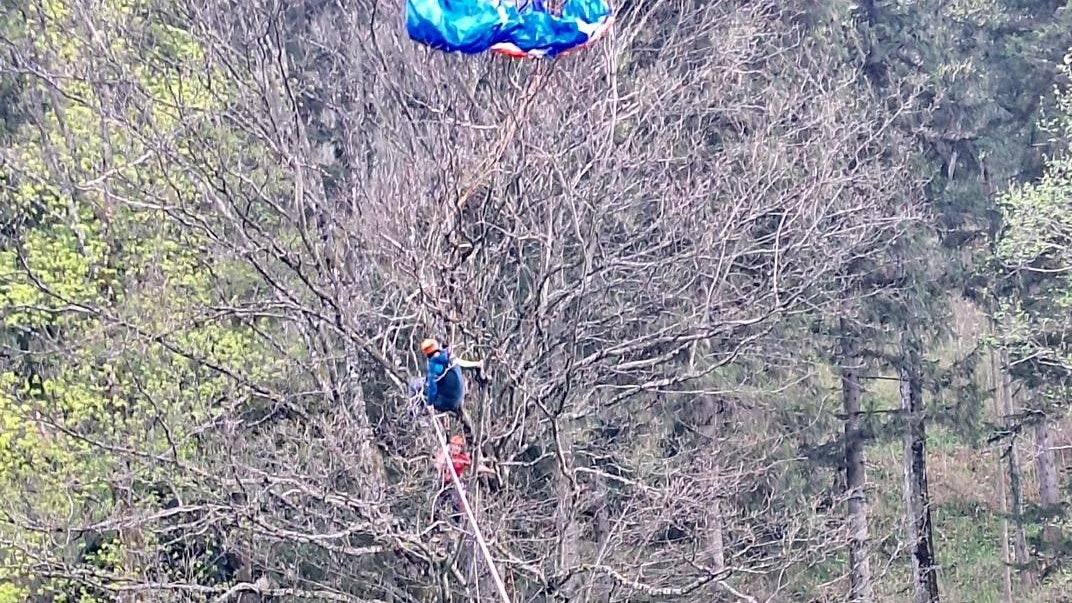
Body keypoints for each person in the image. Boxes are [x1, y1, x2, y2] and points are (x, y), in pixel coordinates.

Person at [419, 338, 486, 440]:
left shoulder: (434, 365)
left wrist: (430, 404)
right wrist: (476, 364)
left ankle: (417, 418)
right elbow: (462, 363)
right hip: (460, 395)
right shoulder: (449, 356)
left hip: (450, 401)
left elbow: (432, 387)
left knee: (417, 388)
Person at [434, 434, 494, 524]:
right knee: (438, 505)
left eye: (459, 446)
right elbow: (437, 465)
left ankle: (457, 524)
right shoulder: (445, 456)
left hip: (456, 485)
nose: (457, 448)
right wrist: (446, 449)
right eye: (456, 445)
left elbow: (475, 467)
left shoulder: (462, 459)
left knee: (456, 504)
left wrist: (490, 470)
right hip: (444, 485)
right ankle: (436, 525)